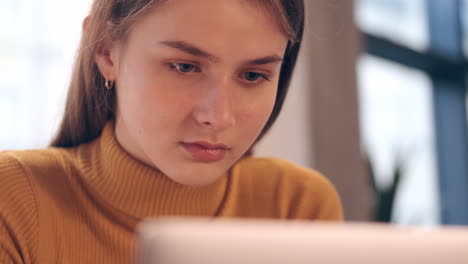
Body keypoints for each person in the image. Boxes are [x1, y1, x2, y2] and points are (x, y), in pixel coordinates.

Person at [0, 0, 343, 263]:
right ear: (105, 51)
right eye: (184, 67)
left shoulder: (297, 206)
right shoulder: (13, 202)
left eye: (253, 75)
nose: (218, 117)